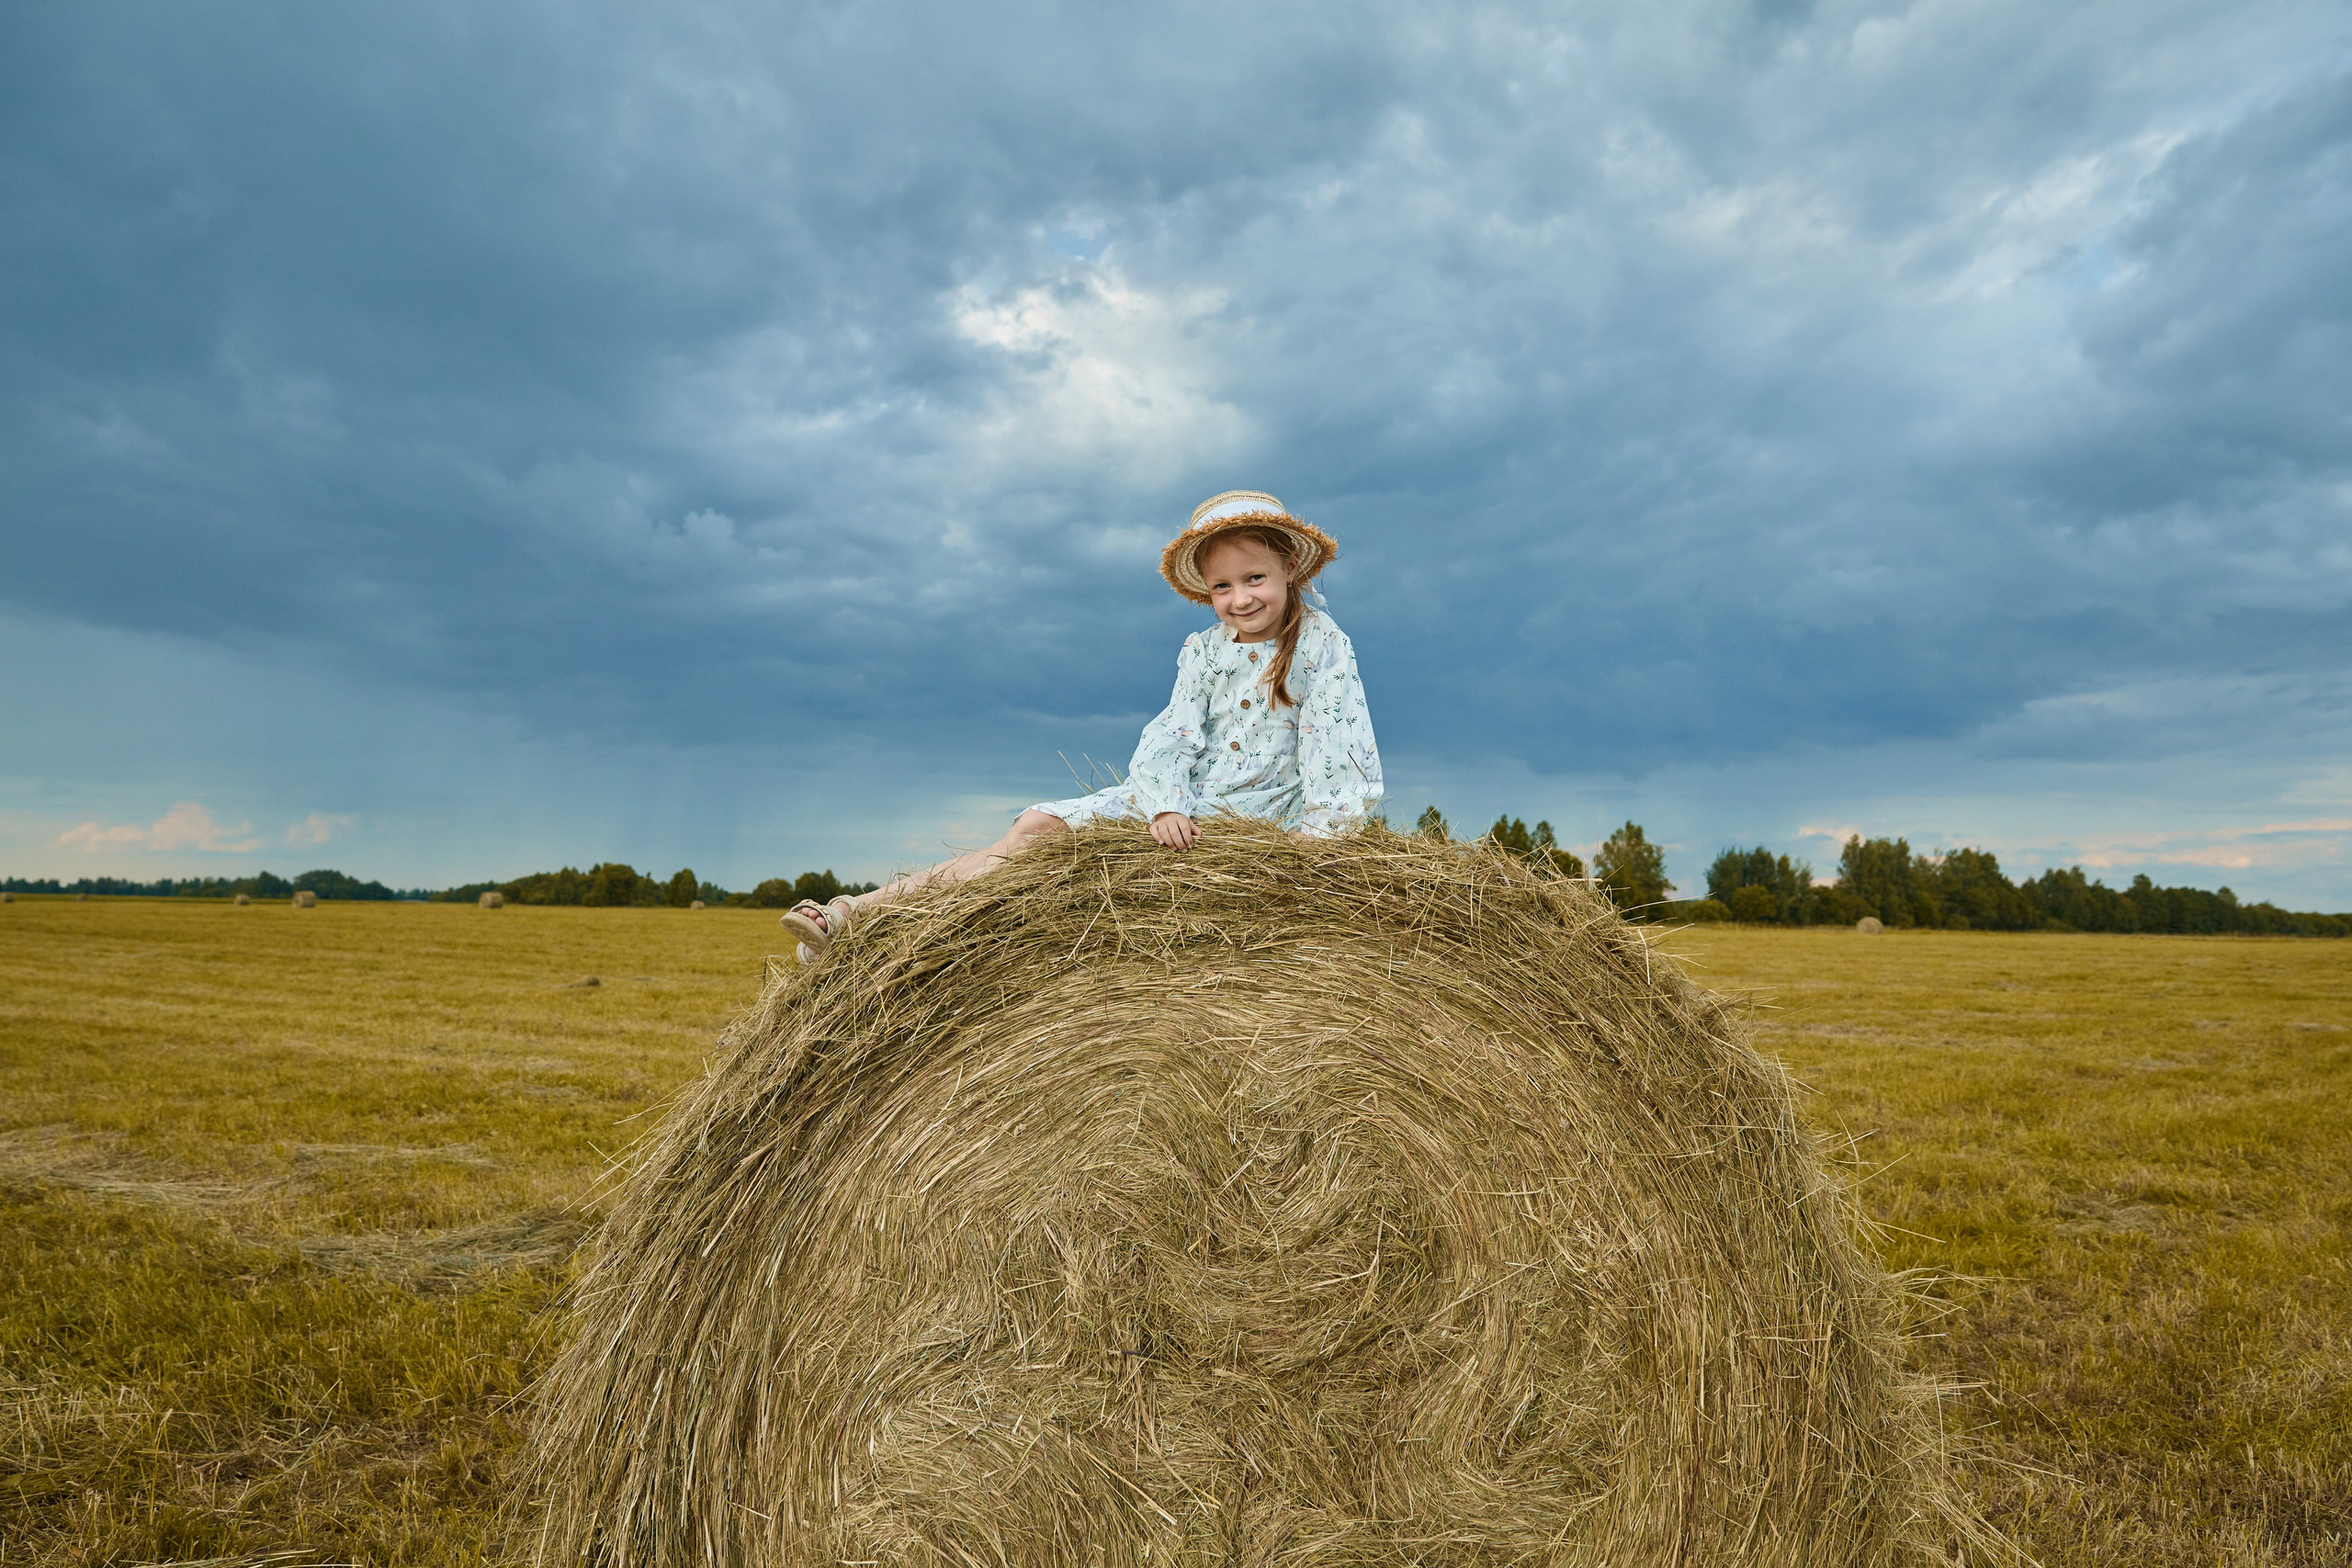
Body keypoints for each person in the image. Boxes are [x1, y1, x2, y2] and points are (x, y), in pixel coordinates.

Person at [780, 490, 1384, 962]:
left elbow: (1339, 746)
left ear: (1289, 568)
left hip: (1253, 817)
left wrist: (1313, 849)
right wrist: (1165, 804)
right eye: (1222, 587)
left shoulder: (1322, 647)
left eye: (1254, 579)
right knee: (1035, 828)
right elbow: (1173, 734)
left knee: (1041, 851)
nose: (1240, 599)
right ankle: (857, 914)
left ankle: (869, 931)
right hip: (1180, 802)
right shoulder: (1203, 649)